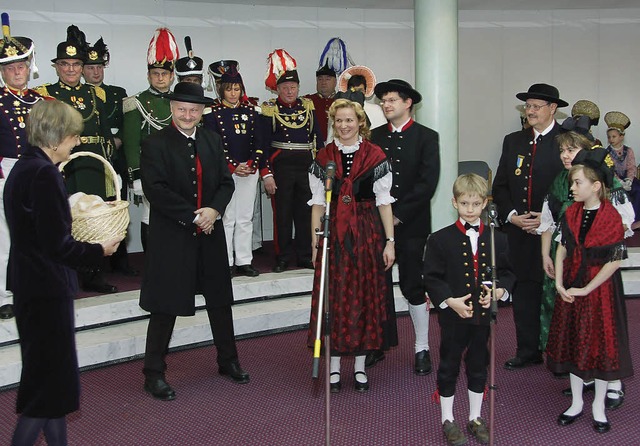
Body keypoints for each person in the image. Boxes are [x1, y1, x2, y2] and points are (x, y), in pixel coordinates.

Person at [4, 99, 121, 446]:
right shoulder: (43, 175)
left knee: (50, 386)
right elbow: (59, 246)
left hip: (32, 285)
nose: (77, 142)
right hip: (45, 290)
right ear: (55, 138)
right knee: (45, 392)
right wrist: (100, 251)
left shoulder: (25, 168)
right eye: (73, 136)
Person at [139, 82, 249, 401]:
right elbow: (155, 190)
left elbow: (226, 183)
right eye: (182, 109)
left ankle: (228, 361)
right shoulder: (155, 143)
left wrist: (214, 210)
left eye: (194, 110)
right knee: (164, 306)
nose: (188, 115)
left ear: (202, 112)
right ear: (172, 109)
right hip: (173, 237)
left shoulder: (212, 140)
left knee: (219, 301)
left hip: (210, 233)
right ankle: (153, 373)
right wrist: (193, 215)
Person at [307, 98, 395, 392]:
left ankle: (359, 366)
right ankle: (333, 367)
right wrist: (315, 241)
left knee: (362, 297)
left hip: (366, 232)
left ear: (361, 123)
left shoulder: (376, 155)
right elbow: (318, 205)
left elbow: (384, 203)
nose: (344, 126)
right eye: (339, 121)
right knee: (334, 299)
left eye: (349, 120)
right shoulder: (324, 157)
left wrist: (389, 242)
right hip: (332, 233)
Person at [424, 173, 515, 446]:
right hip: (453, 315)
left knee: (479, 364)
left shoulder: (498, 239)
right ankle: (447, 419)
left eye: (476, 204)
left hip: (483, 316)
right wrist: (449, 301)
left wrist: (499, 291)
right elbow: (431, 277)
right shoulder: (439, 239)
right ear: (454, 203)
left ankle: (475, 417)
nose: (471, 210)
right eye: (465, 204)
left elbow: (508, 273)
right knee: (449, 364)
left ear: (485, 203)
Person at [547, 148, 633, 434]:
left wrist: (586, 289)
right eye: (572, 183)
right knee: (572, 341)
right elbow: (561, 249)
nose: (572, 188)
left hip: (598, 292)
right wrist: (560, 283)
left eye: (577, 183)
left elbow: (615, 260)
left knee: (597, 347)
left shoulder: (611, 217)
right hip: (572, 284)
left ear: (596, 186)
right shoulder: (571, 212)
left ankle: (597, 405)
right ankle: (575, 403)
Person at [35, 24, 118, 294]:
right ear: (56, 67)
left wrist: (111, 170)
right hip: (63, 166)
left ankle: (95, 277)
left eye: (75, 64)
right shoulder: (46, 95)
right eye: (65, 64)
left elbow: (105, 134)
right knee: (63, 221)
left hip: (93, 165)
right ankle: (64, 276)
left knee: (93, 221)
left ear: (82, 67)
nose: (71, 69)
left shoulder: (95, 94)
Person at [538, 125, 633, 353]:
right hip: (564, 257)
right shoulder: (559, 181)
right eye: (562, 150)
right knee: (569, 314)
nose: (565, 155)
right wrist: (545, 255)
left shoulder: (605, 180)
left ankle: (605, 375)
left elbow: (623, 224)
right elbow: (548, 222)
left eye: (571, 149)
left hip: (596, 262)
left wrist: (591, 240)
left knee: (598, 317)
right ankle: (576, 366)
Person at [368, 79, 440, 376]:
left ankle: (421, 347)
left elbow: (428, 183)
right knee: (376, 284)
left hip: (411, 225)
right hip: (375, 224)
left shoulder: (426, 137)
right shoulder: (373, 136)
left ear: (408, 103)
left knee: (413, 283)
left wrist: (398, 216)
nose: (386, 105)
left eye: (392, 100)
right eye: (383, 100)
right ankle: (376, 343)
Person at [492, 83, 566, 370]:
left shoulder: (568, 141)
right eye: (528, 106)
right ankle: (528, 350)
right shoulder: (513, 141)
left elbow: (575, 189)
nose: (530, 111)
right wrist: (512, 216)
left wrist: (548, 219)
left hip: (557, 234)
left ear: (553, 109)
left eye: (536, 106)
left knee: (556, 291)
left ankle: (560, 355)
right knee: (524, 291)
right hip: (520, 231)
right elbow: (500, 186)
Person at [262, 49, 324, 273]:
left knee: (305, 213)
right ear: (277, 89)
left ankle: (305, 255)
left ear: (298, 88)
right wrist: (266, 172)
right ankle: (282, 256)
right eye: (285, 88)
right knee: (283, 214)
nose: (289, 91)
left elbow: (317, 137)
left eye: (293, 87)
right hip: (282, 166)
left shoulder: (307, 107)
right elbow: (263, 144)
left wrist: (322, 168)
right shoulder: (270, 109)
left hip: (306, 166)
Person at [83, 36, 138, 277]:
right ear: (83, 70)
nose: (96, 72)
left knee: (116, 207)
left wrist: (120, 140)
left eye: (99, 67)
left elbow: (128, 125)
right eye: (90, 68)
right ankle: (93, 265)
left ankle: (120, 261)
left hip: (114, 158)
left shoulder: (118, 93)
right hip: (88, 160)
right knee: (90, 212)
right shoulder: (80, 94)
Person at [0, 14, 44, 320]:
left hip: (36, 172)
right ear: (2, 71)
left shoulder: (41, 101)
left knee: (37, 232)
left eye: (21, 65)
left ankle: (35, 286)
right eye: (10, 67)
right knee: (5, 235)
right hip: (4, 170)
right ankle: (5, 294)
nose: (17, 71)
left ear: (28, 68)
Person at [203, 67, 265, 277]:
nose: (232, 93)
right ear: (222, 90)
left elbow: (259, 142)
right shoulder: (212, 114)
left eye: (236, 89)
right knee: (227, 218)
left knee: (246, 218)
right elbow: (214, 145)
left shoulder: (252, 111)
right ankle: (227, 261)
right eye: (228, 89)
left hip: (249, 170)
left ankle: (244, 260)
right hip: (226, 172)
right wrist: (232, 165)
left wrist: (252, 163)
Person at [122, 27, 178, 251]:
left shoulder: (180, 102)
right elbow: (131, 142)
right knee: (150, 214)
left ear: (172, 75)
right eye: (155, 74)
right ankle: (152, 262)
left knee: (178, 216)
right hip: (150, 170)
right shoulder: (135, 102)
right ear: (148, 75)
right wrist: (135, 175)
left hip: (179, 169)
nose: (160, 78)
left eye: (165, 74)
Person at [604, 111, 640, 230]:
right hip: (613, 179)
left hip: (627, 177)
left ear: (621, 136)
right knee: (616, 193)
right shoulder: (606, 152)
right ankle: (618, 222)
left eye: (614, 136)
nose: (611, 139)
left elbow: (631, 166)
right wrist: (620, 182)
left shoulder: (628, 151)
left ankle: (634, 220)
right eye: (609, 137)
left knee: (637, 190)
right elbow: (609, 170)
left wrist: (629, 179)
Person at [337, 65, 386, 130]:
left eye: (360, 90)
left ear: (365, 91)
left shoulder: (376, 110)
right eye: (353, 90)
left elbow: (382, 133)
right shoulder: (339, 109)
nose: (356, 94)